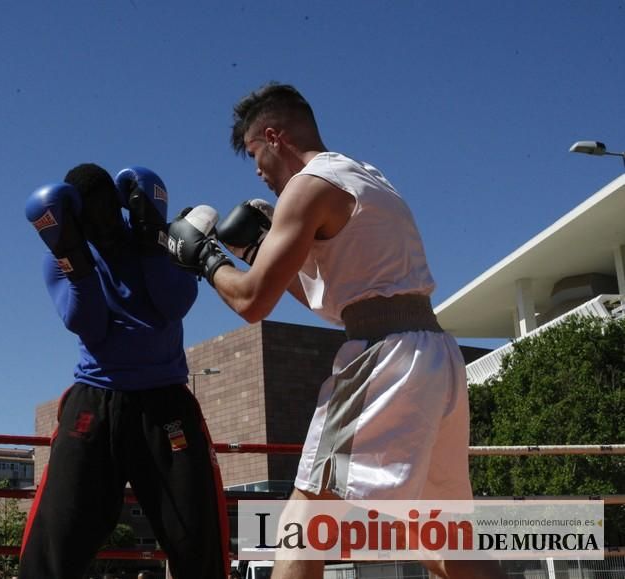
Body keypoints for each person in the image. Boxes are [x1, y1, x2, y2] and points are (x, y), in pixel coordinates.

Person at [167, 83, 506, 579]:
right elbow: (341, 304)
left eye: (256, 154)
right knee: (444, 532)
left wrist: (204, 256)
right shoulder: (364, 176)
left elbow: (251, 301)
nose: (258, 172)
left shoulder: (309, 187)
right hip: (434, 355)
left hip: (384, 359)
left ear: (273, 135)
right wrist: (259, 252)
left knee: (306, 517)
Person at [20, 164, 230, 579]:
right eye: (93, 214)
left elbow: (174, 303)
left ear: (122, 206)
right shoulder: (60, 260)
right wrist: (76, 262)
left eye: (109, 211)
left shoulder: (156, 242)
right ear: (75, 216)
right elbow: (91, 326)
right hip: (94, 402)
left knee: (195, 536)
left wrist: (153, 238)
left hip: (165, 402)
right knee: (55, 540)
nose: (105, 223)